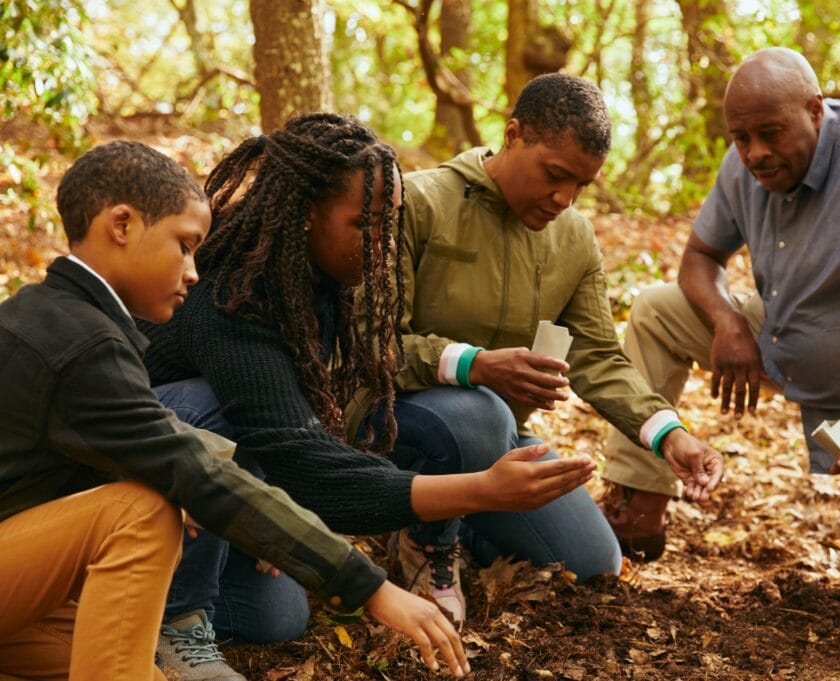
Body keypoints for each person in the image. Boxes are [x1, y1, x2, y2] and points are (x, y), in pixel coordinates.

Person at [141, 113, 595, 677]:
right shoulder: (232, 295)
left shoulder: (319, 279)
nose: (382, 243)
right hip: (123, 470)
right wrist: (480, 489)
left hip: (222, 484)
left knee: (276, 618)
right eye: (364, 225)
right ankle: (173, 617)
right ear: (307, 214)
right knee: (206, 411)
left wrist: (273, 519)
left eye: (389, 224)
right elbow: (300, 458)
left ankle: (136, 590)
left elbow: (298, 423)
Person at [0, 141, 468, 681]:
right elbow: (196, 472)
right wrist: (369, 586)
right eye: (183, 246)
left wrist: (226, 501)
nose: (194, 271)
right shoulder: (83, 343)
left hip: (28, 588)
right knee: (141, 513)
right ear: (122, 225)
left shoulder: (61, 319)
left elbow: (180, 454)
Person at [352, 72, 724, 587]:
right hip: (394, 425)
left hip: (497, 438)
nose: (564, 198)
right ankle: (427, 543)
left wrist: (670, 435)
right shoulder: (418, 203)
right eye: (555, 174)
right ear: (512, 136)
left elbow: (597, 355)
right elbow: (371, 345)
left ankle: (451, 527)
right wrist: (475, 365)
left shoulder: (572, 238)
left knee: (595, 563)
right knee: (476, 412)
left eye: (581, 185)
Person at [601, 47, 840, 556]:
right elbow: (699, 256)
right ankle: (637, 509)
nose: (754, 153)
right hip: (782, 334)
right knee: (655, 310)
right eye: (741, 138)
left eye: (770, 133)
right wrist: (727, 322)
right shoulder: (744, 163)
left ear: (814, 110)